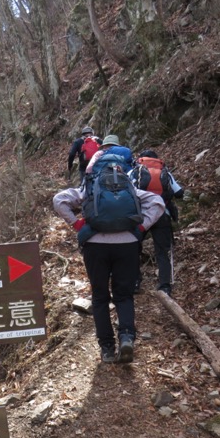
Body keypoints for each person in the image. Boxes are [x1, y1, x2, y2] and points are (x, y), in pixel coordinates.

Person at [53, 160, 165, 364]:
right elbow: (157, 203)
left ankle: (106, 348)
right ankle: (127, 337)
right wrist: (140, 228)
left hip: (95, 246)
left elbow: (59, 200)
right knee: (124, 295)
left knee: (100, 296)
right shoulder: (129, 187)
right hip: (128, 245)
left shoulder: (89, 186)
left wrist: (78, 224)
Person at [129, 149, 185, 296]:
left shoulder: (135, 171)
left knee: (134, 247)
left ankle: (135, 281)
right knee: (162, 251)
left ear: (141, 159)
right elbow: (179, 193)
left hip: (141, 216)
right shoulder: (165, 172)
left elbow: (126, 191)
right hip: (162, 214)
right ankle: (165, 285)